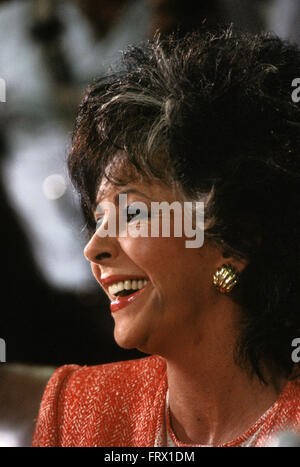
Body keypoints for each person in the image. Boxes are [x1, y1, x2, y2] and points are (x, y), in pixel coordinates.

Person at [32, 27, 300, 447]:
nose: (93, 248)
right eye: (99, 219)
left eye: (132, 212)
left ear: (237, 239)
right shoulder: (76, 407)